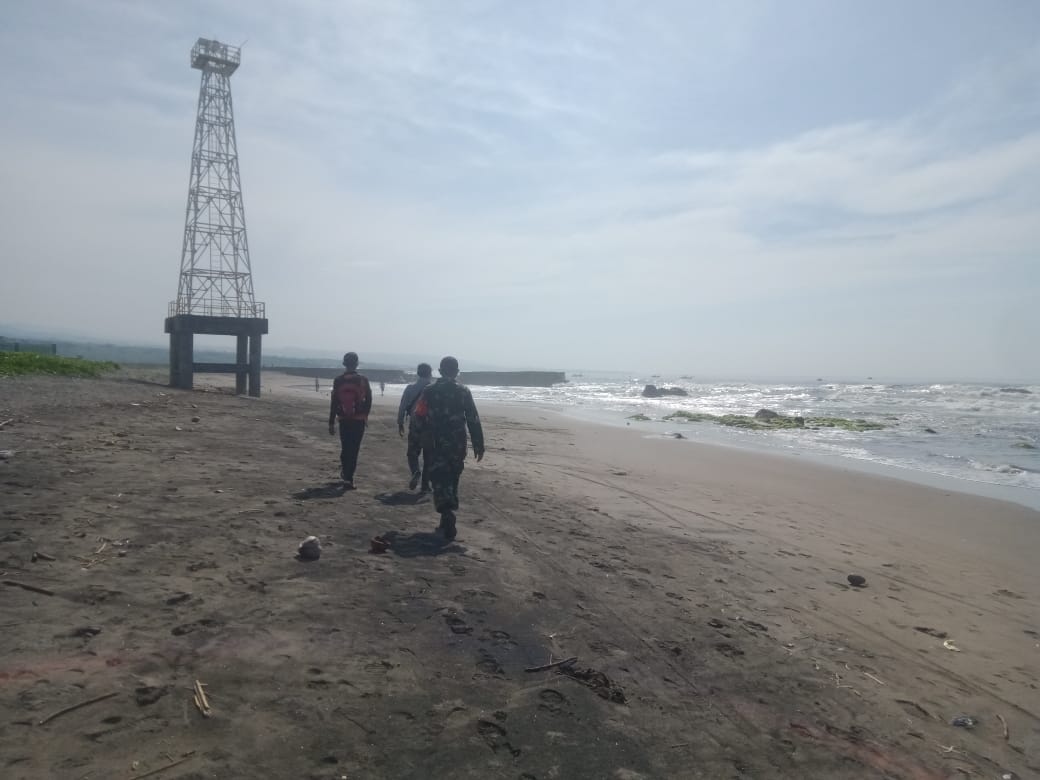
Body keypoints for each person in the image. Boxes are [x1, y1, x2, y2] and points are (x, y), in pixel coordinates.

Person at [412, 356, 484, 540]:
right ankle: (448, 511)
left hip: (435, 443)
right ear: (456, 372)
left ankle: (446, 513)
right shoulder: (463, 391)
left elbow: (418, 416)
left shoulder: (429, 391)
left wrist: (416, 440)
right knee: (453, 476)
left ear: (441, 371)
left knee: (438, 477)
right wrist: (478, 443)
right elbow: (473, 418)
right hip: (457, 443)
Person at [328, 352, 372, 489]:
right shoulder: (363, 380)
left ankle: (345, 471)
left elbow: (334, 401)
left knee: (345, 446)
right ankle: (349, 478)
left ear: (344, 364)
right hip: (358, 419)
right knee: (354, 448)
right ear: (357, 363)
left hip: (343, 419)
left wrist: (331, 421)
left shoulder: (338, 380)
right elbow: (369, 399)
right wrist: (365, 414)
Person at [397, 363, 434, 491]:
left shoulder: (410, 388)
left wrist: (400, 422)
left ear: (418, 373)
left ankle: (415, 471)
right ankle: (425, 485)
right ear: (430, 373)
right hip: (430, 427)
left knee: (412, 453)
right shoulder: (434, 389)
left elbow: (402, 407)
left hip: (415, 424)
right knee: (429, 455)